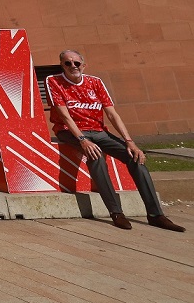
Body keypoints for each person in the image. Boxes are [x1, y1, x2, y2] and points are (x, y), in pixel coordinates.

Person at [46, 49, 183, 232]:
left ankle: (156, 215)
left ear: (83, 65)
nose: (73, 66)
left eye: (76, 63)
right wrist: (82, 140)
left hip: (98, 131)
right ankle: (116, 213)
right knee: (96, 156)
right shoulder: (53, 81)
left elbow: (112, 114)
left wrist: (129, 142)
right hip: (70, 131)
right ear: (62, 65)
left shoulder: (95, 82)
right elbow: (65, 117)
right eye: (67, 63)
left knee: (135, 157)